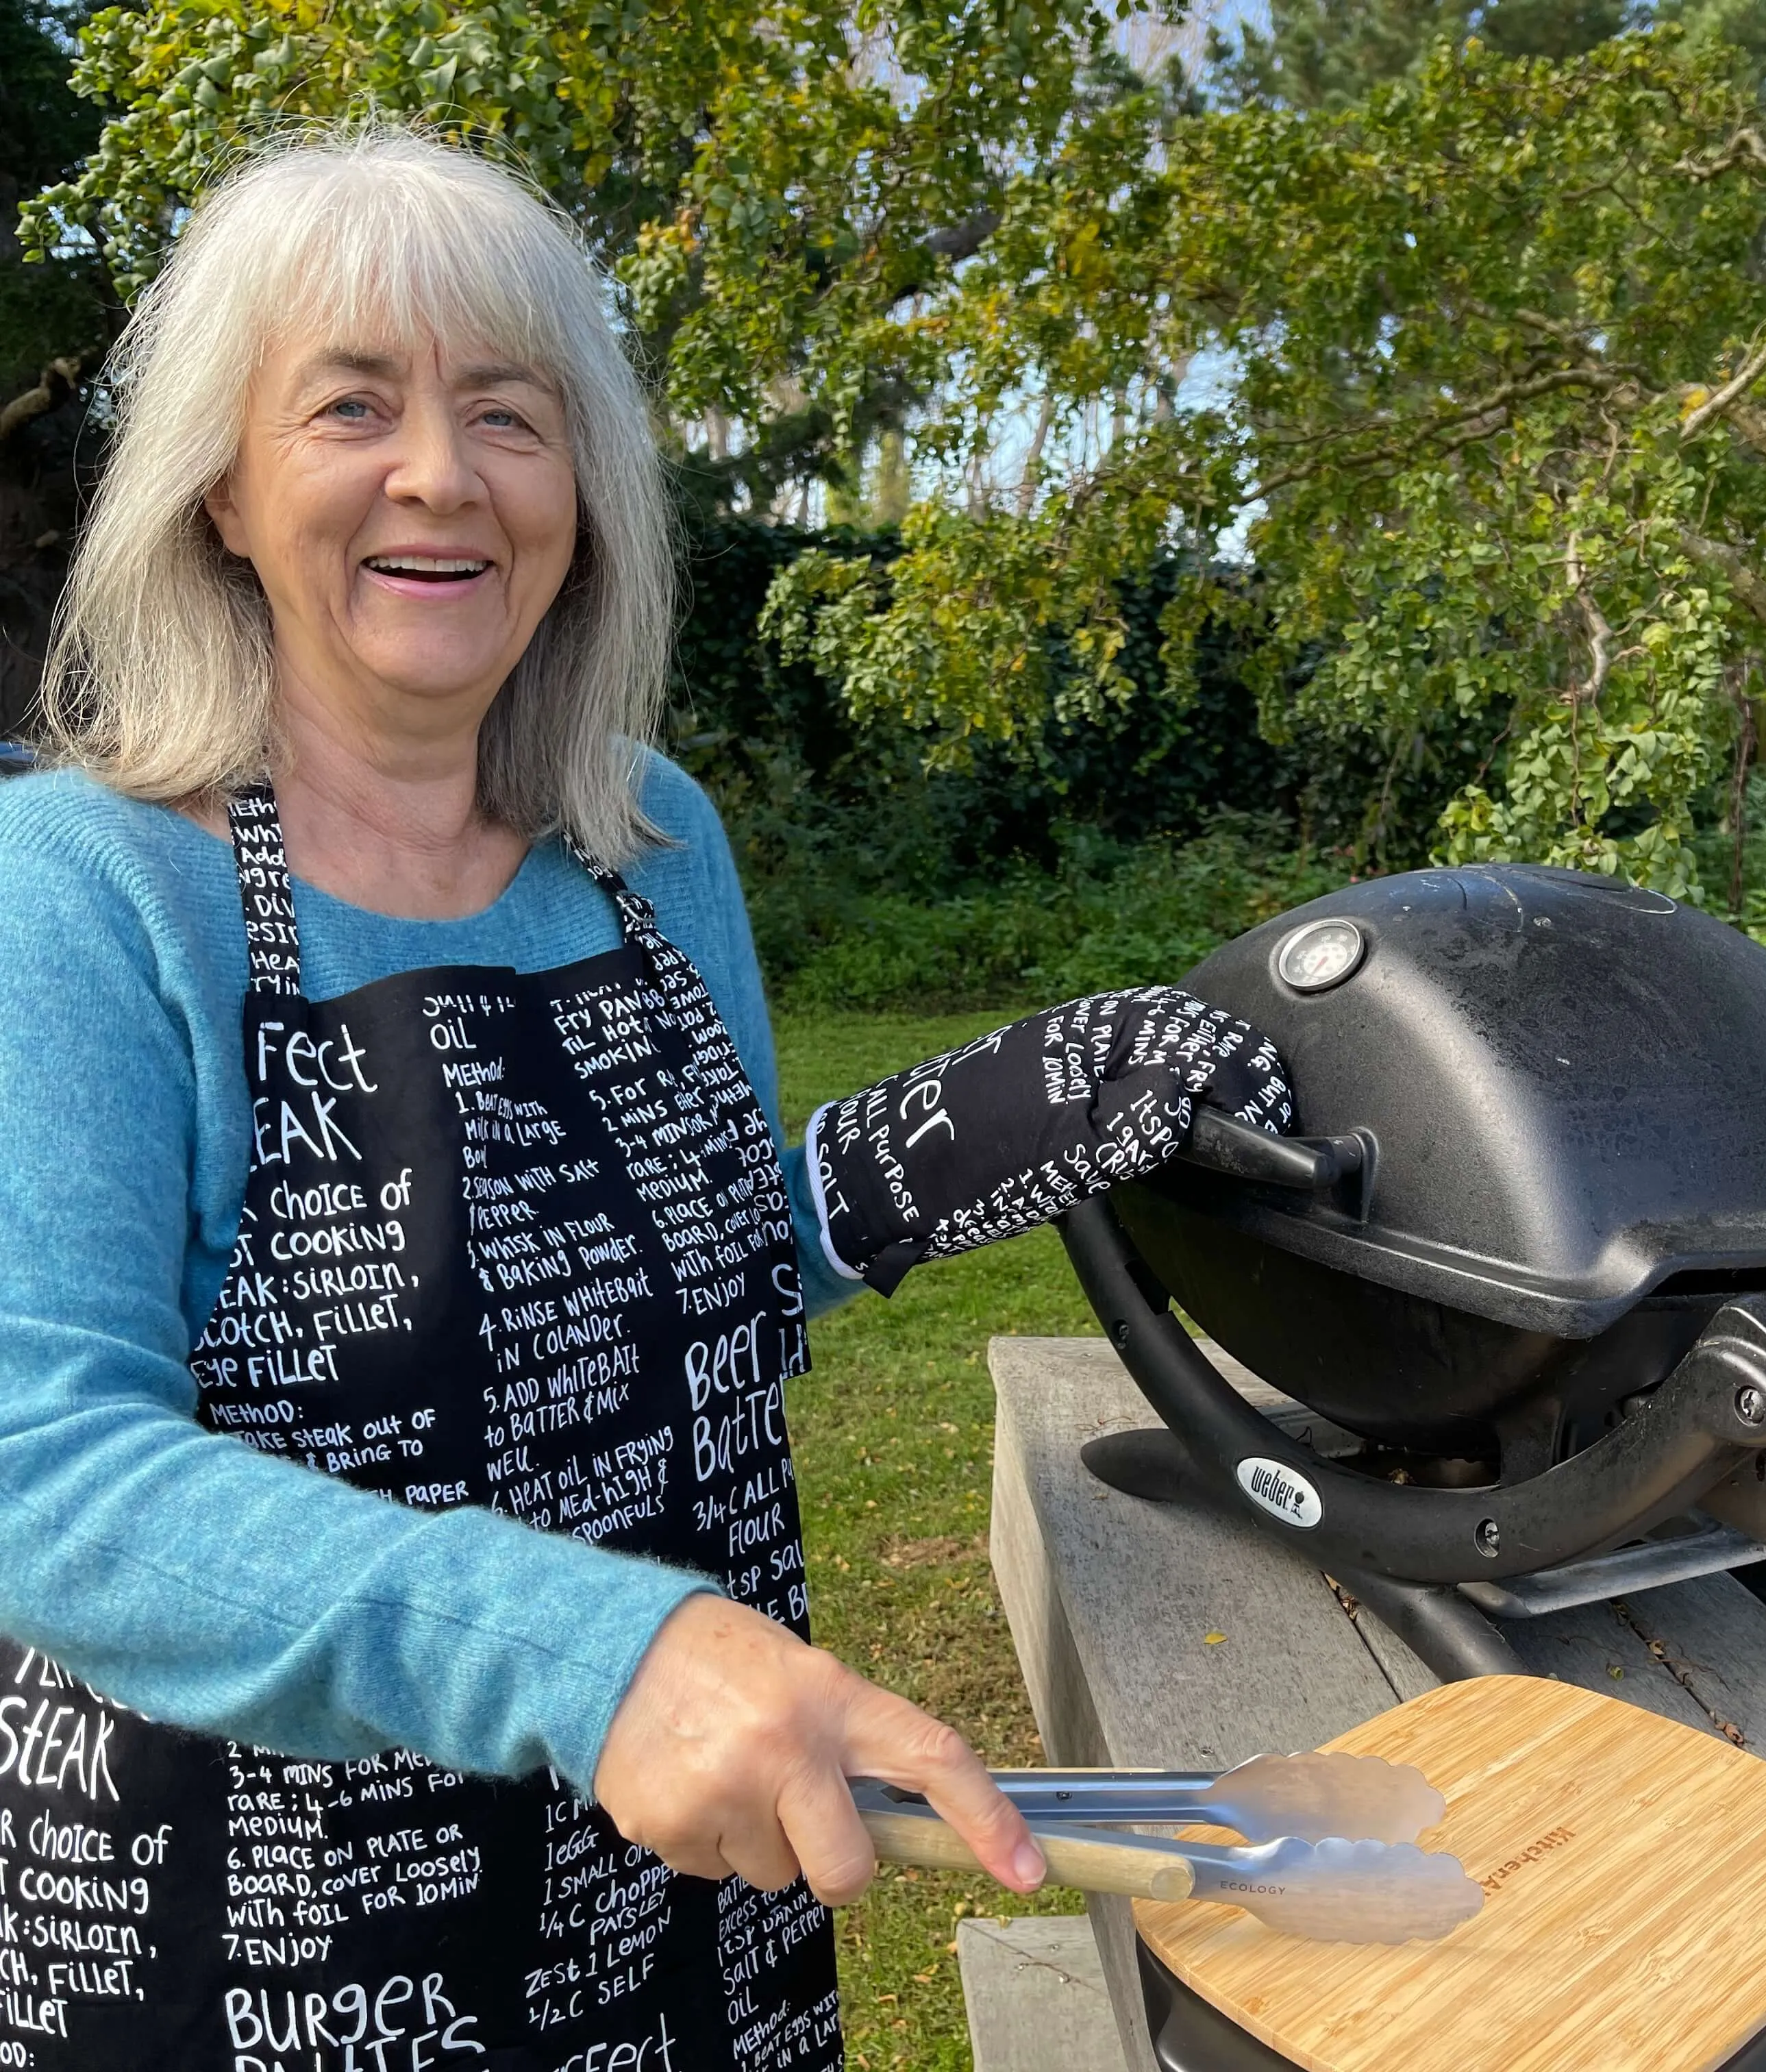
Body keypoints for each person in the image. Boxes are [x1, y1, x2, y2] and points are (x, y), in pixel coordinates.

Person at [0, 130, 1291, 2069]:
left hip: (675, 1892)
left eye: (509, 415)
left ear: (581, 494)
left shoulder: (643, 839)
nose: (442, 472)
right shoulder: (84, 892)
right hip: (266, 1955)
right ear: (221, 484)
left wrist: (931, 1152)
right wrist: (599, 1654)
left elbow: (674, 1278)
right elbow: (51, 1483)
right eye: (353, 405)